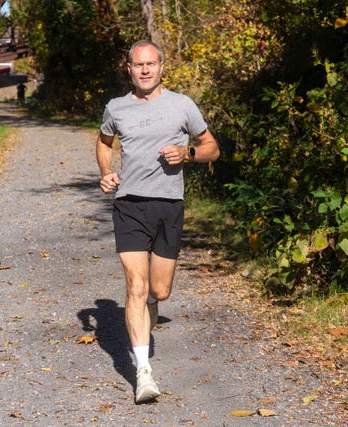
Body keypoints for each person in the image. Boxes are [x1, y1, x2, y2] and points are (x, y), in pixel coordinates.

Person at [96, 40, 220, 404]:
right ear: (129, 69)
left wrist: (189, 153)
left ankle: (151, 309)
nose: (145, 70)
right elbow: (104, 143)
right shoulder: (116, 108)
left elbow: (212, 147)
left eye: (151, 64)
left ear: (162, 66)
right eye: (139, 64)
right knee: (135, 286)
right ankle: (143, 371)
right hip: (130, 204)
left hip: (169, 205)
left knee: (158, 291)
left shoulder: (182, 105)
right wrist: (106, 172)